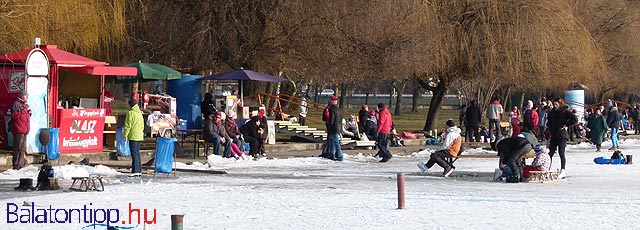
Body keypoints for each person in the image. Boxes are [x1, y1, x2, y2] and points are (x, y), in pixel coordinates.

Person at [546, 98, 577, 179]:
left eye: (556, 104)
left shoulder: (564, 112)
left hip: (562, 135)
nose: (555, 106)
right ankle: (546, 169)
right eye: (554, 104)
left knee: (561, 152)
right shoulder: (551, 112)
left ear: (560, 104)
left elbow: (574, 119)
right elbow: (548, 121)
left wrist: (566, 125)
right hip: (554, 134)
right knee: (550, 153)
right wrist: (549, 128)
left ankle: (563, 170)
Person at [9, 90, 31, 170]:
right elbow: (14, 115)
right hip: (18, 129)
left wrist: (29, 111)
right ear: (22, 96)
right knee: (17, 147)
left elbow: (27, 115)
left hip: (24, 129)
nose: (27, 97)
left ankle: (21, 163)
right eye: (25, 96)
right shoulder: (16, 104)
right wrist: (23, 111)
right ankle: (16, 164)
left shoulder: (25, 105)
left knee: (22, 148)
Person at [124, 99, 144, 176]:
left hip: (133, 135)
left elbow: (128, 125)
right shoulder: (139, 113)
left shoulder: (130, 113)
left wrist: (125, 135)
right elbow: (142, 125)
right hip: (139, 135)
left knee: (134, 153)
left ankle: (135, 171)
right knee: (137, 153)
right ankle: (138, 170)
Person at [326, 96, 344, 161]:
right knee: (333, 142)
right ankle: (332, 155)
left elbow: (332, 120)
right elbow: (341, 120)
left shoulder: (332, 109)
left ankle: (340, 156)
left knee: (336, 142)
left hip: (333, 128)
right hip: (338, 127)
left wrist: (330, 127)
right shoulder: (340, 110)